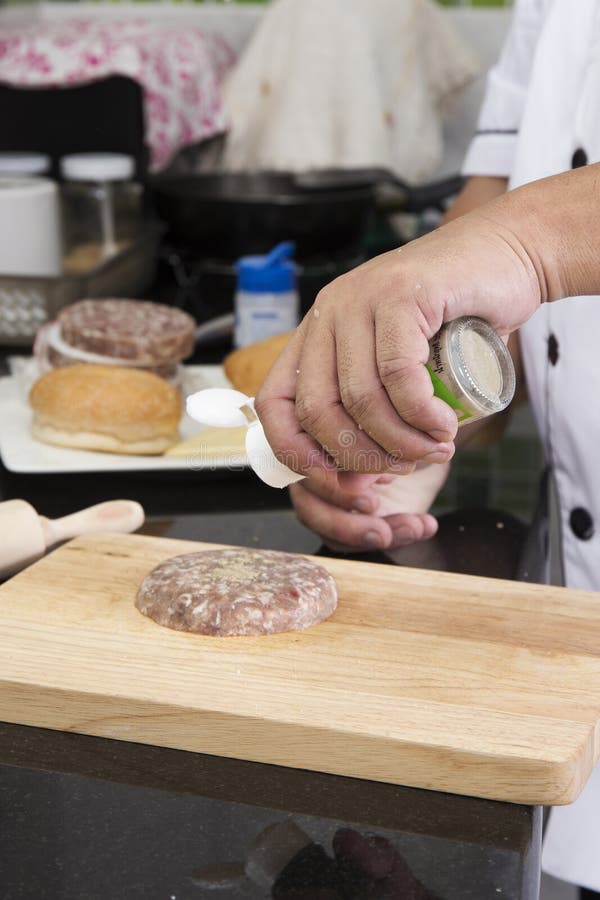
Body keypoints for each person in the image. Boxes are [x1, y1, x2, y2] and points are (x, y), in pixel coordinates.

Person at [256, 1, 600, 896]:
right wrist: (412, 407)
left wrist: (530, 246)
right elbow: (497, 195)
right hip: (571, 643)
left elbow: (519, 235)